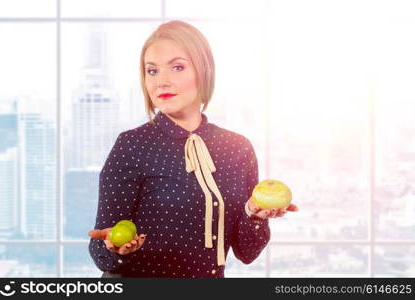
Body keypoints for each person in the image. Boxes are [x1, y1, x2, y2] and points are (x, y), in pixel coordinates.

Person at [88, 20, 298, 278]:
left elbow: (246, 252)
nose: (161, 81)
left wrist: (254, 215)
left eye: (177, 67)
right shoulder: (132, 145)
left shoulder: (237, 149)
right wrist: (115, 248)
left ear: (204, 71)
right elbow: (100, 251)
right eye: (152, 71)